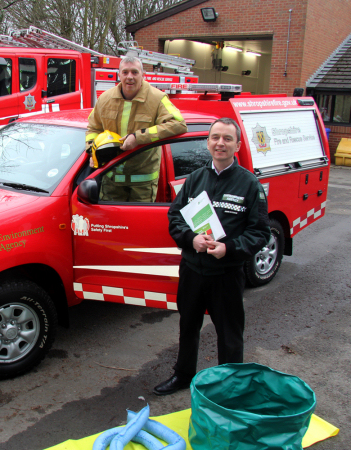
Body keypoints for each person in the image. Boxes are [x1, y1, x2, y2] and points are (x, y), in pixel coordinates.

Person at [153, 118, 270, 396]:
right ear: (207, 143)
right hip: (193, 270)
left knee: (229, 334)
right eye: (215, 137)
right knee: (187, 326)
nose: (220, 143)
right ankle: (183, 375)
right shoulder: (194, 179)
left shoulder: (249, 184)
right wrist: (191, 239)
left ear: (237, 145)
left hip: (226, 274)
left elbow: (260, 232)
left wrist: (229, 248)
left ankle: (230, 387)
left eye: (227, 139)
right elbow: (175, 218)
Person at [86, 55, 187, 202]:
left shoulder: (157, 98)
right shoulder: (105, 99)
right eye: (125, 72)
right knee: (112, 225)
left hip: (142, 184)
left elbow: (179, 124)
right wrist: (92, 151)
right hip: (111, 180)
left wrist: (138, 138)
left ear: (143, 75)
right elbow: (93, 128)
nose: (130, 77)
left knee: (138, 224)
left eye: (134, 72)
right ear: (119, 75)